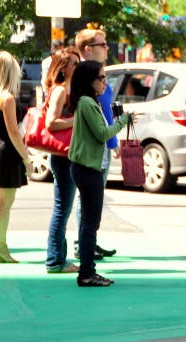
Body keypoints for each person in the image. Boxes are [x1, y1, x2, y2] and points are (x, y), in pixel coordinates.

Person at [68, 60, 131, 286]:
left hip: (88, 167)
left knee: (90, 221)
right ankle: (86, 273)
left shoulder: (88, 102)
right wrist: (123, 120)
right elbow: (101, 133)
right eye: (101, 77)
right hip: (87, 168)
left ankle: (88, 271)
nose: (105, 82)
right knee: (90, 223)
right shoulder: (86, 103)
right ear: (89, 80)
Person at [73, 28, 117, 260]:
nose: (107, 48)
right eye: (103, 44)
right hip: (86, 156)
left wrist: (113, 142)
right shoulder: (80, 78)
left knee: (93, 205)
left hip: (101, 149)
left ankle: (89, 243)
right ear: (88, 49)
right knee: (86, 202)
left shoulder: (99, 77)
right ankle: (84, 247)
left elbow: (105, 114)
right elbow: (91, 121)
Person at [0, 51, 34, 263]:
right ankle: (1, 246)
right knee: (4, 205)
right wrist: (26, 158)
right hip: (6, 153)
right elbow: (14, 132)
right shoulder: (7, 98)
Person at [44, 46, 81, 274]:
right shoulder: (60, 91)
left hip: (66, 155)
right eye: (74, 63)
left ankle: (59, 257)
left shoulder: (68, 89)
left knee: (63, 208)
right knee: (62, 209)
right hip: (62, 156)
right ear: (63, 67)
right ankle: (55, 260)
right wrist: (75, 121)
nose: (78, 67)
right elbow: (51, 123)